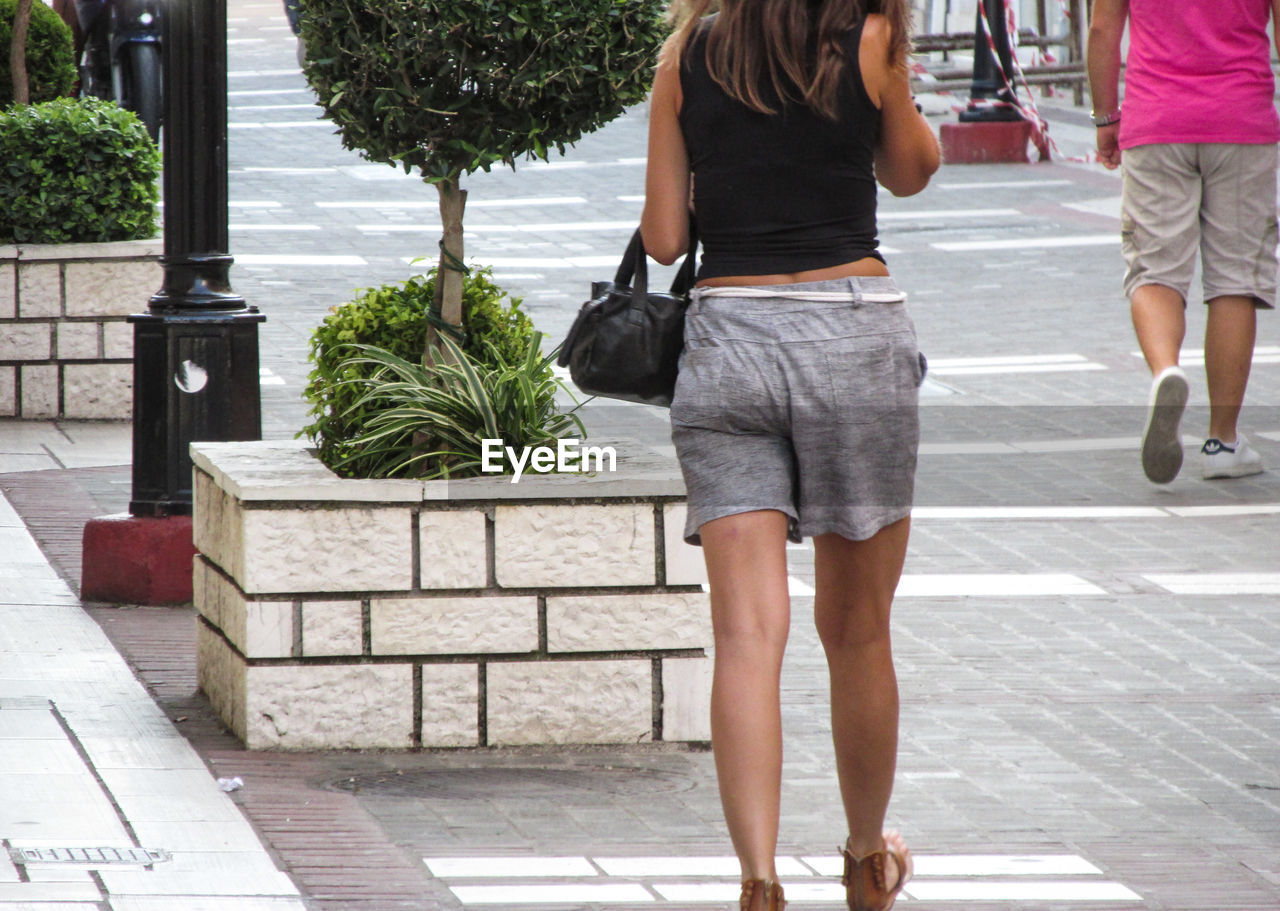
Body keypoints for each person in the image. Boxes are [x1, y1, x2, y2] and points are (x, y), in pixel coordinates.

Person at [641, 2, 939, 909]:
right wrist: (891, 80)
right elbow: (912, 170)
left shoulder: (685, 51)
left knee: (745, 636)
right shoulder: (869, 38)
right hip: (853, 335)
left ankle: (760, 880)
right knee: (857, 632)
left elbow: (662, 239)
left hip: (730, 341)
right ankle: (862, 860)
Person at [1088, 0, 1280, 483]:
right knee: (1236, 280)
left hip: (1156, 119)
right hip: (1241, 117)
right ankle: (1222, 441)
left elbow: (1102, 29)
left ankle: (1164, 373)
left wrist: (1105, 117)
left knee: (1154, 271)